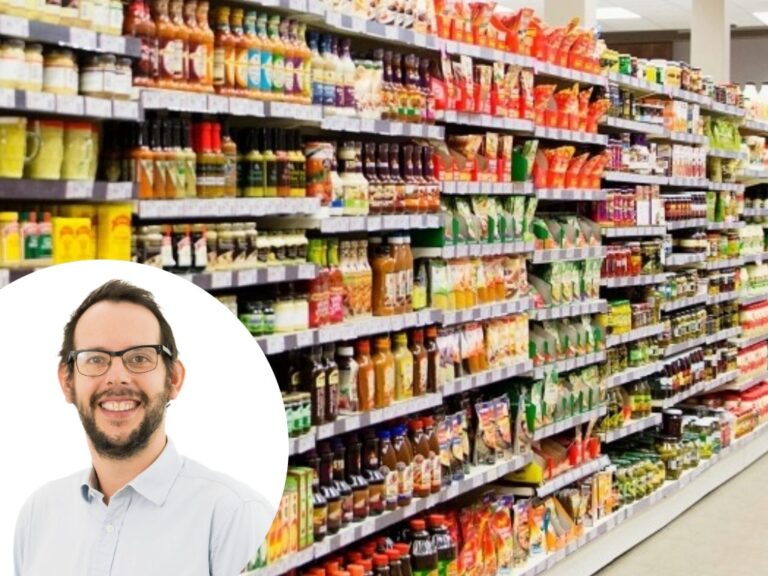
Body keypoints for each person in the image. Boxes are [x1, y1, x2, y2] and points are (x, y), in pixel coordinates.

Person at [13, 279, 275, 576]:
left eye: (139, 358)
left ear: (174, 378)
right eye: (95, 359)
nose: (117, 377)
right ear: (67, 382)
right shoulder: (38, 515)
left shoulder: (234, 517)